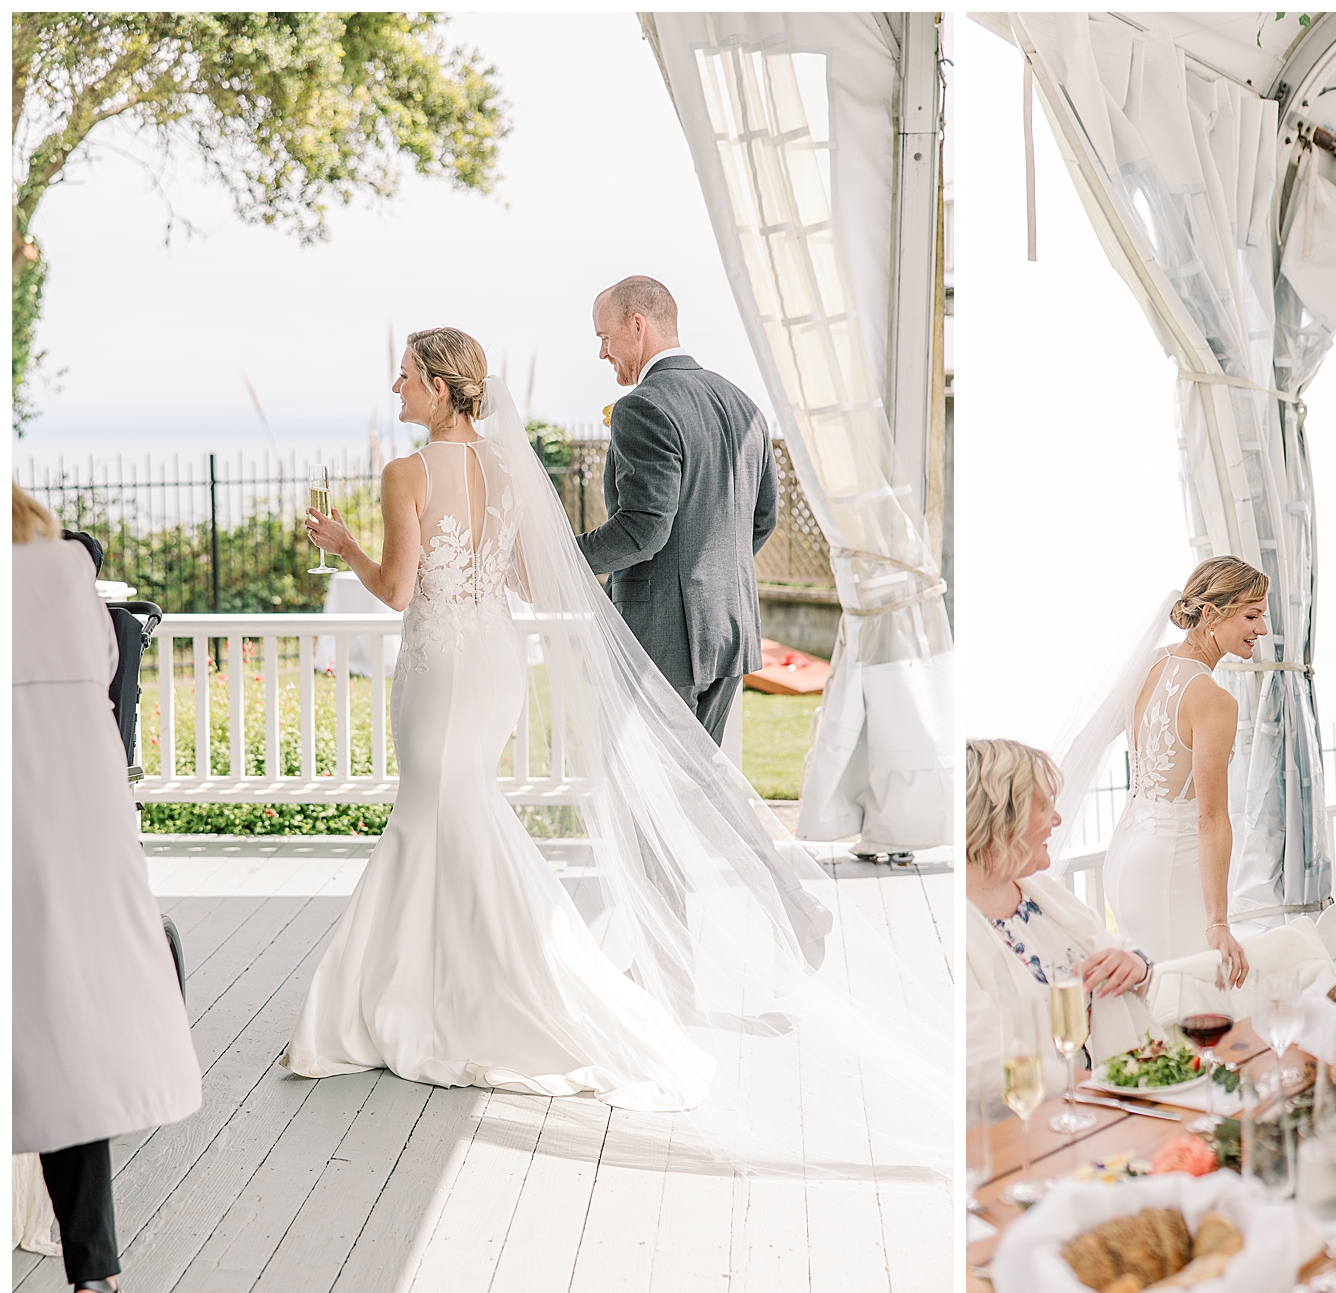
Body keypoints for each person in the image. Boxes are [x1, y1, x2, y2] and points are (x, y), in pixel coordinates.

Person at [285, 329, 946, 1175]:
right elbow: (531, 571)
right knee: (456, 815)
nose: (396, 386)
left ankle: (456, 988)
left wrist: (344, 547)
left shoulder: (405, 475)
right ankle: (448, 982)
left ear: (444, 389)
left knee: (432, 815)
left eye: (408, 376)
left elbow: (398, 590)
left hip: (441, 663)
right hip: (493, 662)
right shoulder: (508, 471)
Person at [13, 484, 200, 1293]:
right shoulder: (68, 591)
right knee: (65, 1043)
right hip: (70, 846)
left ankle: (102, 1280)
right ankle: (98, 1283)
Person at [578, 275, 777, 746]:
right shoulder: (741, 401)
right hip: (731, 628)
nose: (602, 353)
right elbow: (763, 517)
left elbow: (643, 530)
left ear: (638, 325)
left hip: (665, 635)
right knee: (698, 787)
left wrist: (564, 555)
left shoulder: (642, 407)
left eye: (605, 338)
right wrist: (710, 574)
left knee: (653, 791)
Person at [964, 740, 1156, 1107]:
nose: (1057, 819)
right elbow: (985, 1068)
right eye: (1043, 806)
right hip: (1028, 1131)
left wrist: (1136, 964)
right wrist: (1113, 1088)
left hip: (1103, 1105)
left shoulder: (1042, 894)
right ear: (1003, 819)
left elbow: (1112, 948)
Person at [1102, 558, 1268, 981]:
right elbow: (1211, 818)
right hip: (1170, 873)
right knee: (1193, 998)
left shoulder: (1153, 663)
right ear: (1211, 614)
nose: (1261, 630)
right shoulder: (1213, 700)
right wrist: (1218, 924)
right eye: (1251, 616)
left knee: (1155, 993)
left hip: (1126, 856)